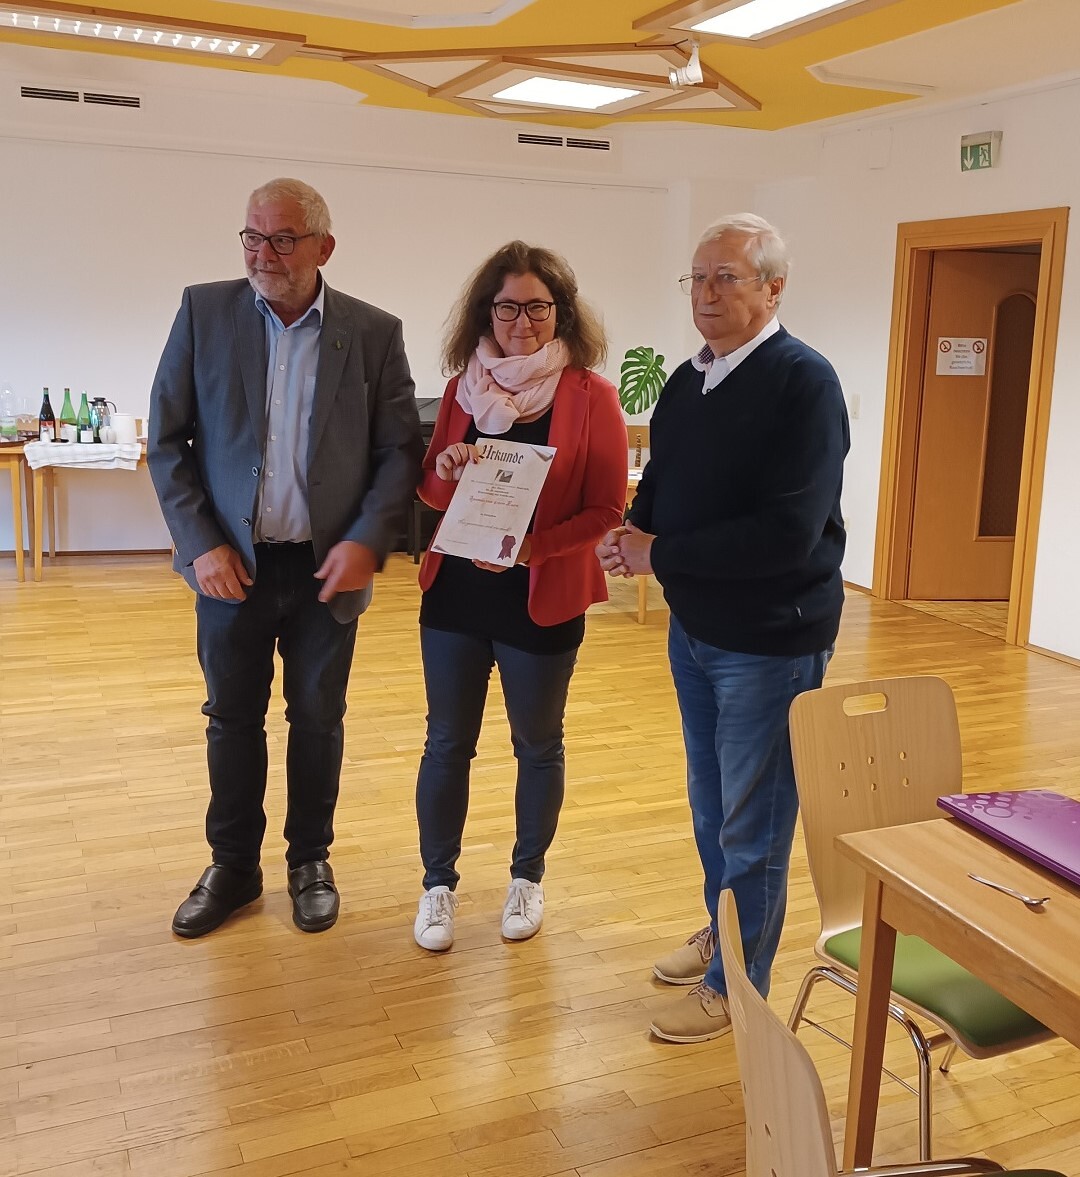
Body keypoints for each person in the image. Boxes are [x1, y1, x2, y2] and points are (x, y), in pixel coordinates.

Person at [597, 214, 849, 1043]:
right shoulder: (688, 380)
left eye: (725, 277)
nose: (705, 293)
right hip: (698, 631)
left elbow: (787, 534)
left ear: (773, 288)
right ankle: (725, 931)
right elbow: (663, 479)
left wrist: (660, 552)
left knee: (754, 823)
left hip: (770, 643)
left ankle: (738, 986)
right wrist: (633, 529)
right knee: (711, 809)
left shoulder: (804, 384)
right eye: (697, 277)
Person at [148, 177, 422, 938]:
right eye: (252, 237)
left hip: (323, 568)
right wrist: (200, 544)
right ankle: (234, 865)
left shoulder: (372, 332)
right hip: (229, 566)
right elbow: (166, 442)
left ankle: (310, 861)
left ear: (323, 247)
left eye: (282, 239)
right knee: (231, 718)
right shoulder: (204, 312)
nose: (262, 254)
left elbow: (399, 453)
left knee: (318, 718)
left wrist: (367, 540)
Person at [411, 241, 627, 952]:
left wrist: (535, 548)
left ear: (561, 312)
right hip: (456, 596)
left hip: (542, 595)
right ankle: (437, 885)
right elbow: (432, 489)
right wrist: (446, 467)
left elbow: (606, 510)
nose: (522, 322)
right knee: (447, 743)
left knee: (537, 746)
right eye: (507, 307)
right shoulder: (461, 390)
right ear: (487, 312)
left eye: (538, 306)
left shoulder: (591, 396)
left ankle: (527, 877)